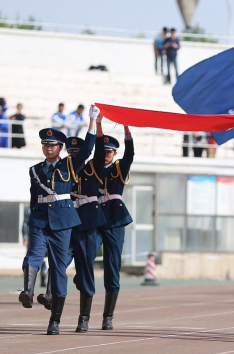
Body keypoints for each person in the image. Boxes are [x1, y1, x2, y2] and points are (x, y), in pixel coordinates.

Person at [19, 105, 99, 335]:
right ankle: (28, 292)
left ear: (60, 148)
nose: (48, 148)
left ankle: (55, 320)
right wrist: (31, 222)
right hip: (39, 219)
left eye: (52, 145)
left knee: (58, 267)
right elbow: (34, 197)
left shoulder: (70, 164)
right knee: (33, 254)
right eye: (45, 144)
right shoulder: (35, 170)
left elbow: (89, 149)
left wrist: (92, 123)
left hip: (63, 221)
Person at [66, 119, 106, 333]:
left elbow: (99, 149)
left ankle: (84, 318)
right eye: (70, 152)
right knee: (57, 261)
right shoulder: (65, 168)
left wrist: (98, 124)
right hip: (67, 219)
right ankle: (52, 301)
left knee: (86, 271)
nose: (73, 155)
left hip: (89, 220)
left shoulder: (94, 166)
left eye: (76, 152)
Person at [97, 120, 135, 330]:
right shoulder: (92, 167)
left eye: (109, 152)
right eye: (103, 151)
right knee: (83, 253)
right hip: (93, 218)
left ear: (114, 153)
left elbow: (130, 154)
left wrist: (127, 130)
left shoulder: (119, 167)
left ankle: (107, 316)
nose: (106, 155)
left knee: (112, 267)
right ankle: (82, 277)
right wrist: (98, 124)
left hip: (114, 220)